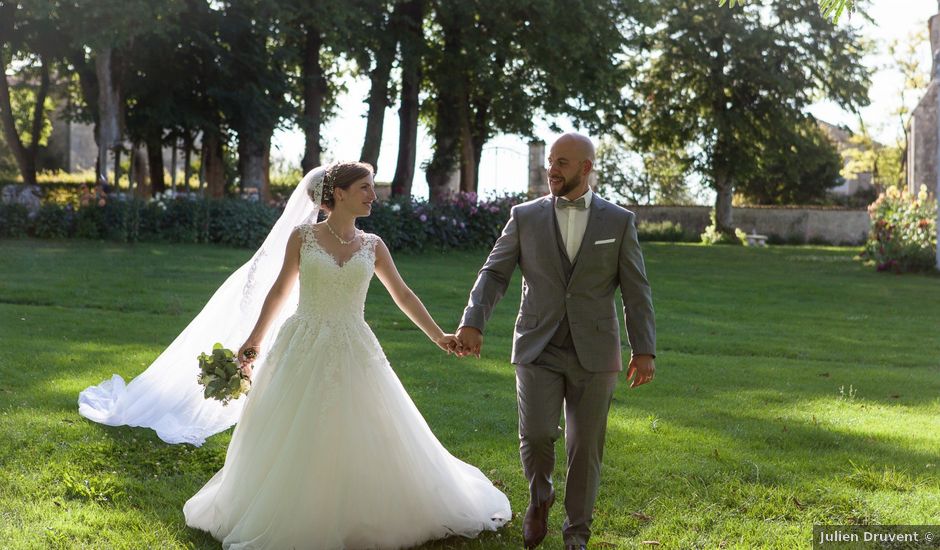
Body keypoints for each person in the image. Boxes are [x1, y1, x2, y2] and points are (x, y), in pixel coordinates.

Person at [179, 162, 510, 548]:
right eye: (365, 188)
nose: (373, 195)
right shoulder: (303, 237)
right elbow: (281, 290)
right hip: (302, 342)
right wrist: (254, 340)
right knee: (294, 429)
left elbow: (403, 295)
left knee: (364, 426)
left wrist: (439, 336)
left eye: (372, 188)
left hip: (355, 345)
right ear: (339, 193)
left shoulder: (374, 245)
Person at [454, 133, 656, 549]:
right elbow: (494, 273)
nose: (552, 169)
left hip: (595, 352)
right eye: (550, 161)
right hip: (537, 345)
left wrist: (644, 349)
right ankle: (540, 494)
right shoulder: (525, 216)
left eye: (562, 162)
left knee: (585, 449)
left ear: (586, 168)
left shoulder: (618, 221)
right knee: (537, 434)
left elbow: (636, 291)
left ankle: (577, 533)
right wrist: (473, 321)